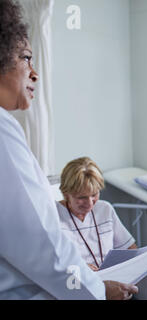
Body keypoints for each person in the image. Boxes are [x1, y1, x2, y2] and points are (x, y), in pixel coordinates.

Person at [0, 0, 137, 299]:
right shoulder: (3, 129)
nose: (34, 74)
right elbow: (41, 244)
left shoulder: (106, 211)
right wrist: (97, 290)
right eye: (25, 58)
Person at [57, 157, 147, 299]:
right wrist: (81, 267)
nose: (90, 203)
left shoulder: (105, 209)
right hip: (79, 282)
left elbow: (131, 249)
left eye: (94, 194)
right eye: (82, 197)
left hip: (113, 278)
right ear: (66, 193)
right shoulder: (53, 216)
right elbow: (50, 264)